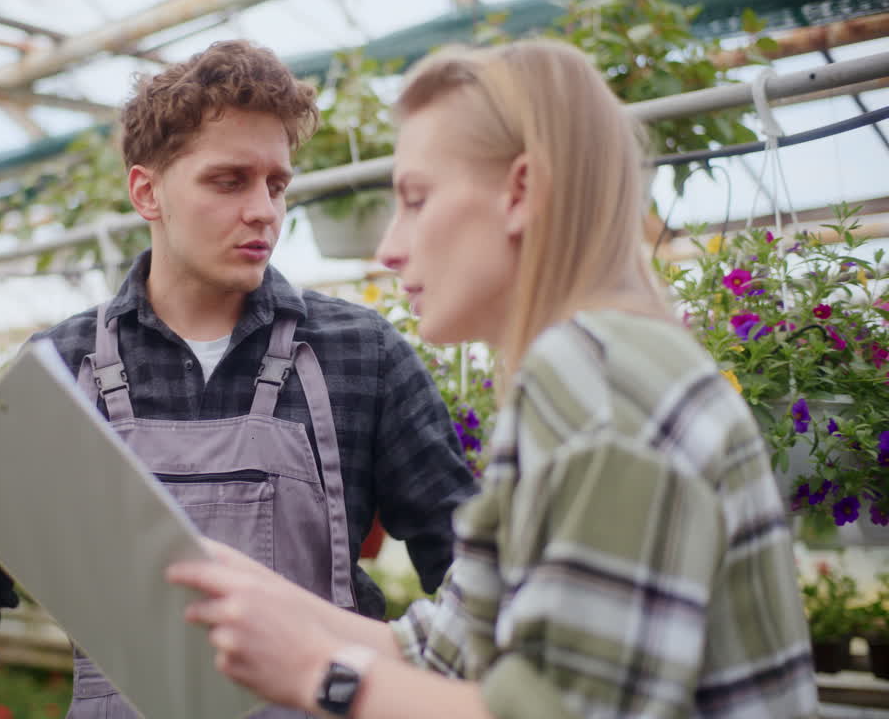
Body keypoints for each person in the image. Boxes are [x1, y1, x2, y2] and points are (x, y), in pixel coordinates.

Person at [0, 40, 476, 719]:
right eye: (228, 180)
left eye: (276, 183)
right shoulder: (67, 369)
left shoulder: (358, 354)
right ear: (146, 192)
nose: (264, 210)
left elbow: (477, 586)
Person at [167, 39, 819, 718]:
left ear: (521, 193)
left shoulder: (600, 385)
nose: (389, 249)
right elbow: (444, 650)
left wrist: (317, 674)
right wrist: (250, 593)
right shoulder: (591, 370)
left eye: (416, 199)